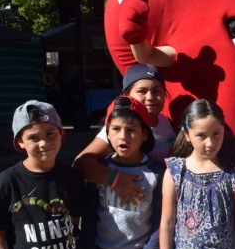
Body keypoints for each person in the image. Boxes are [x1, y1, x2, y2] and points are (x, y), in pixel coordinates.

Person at [0, 100, 89, 249]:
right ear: (20, 142)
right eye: (33, 137)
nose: (44, 143)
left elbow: (75, 218)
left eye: (50, 134)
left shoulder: (72, 176)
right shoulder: (7, 181)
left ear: (61, 135)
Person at [159, 99, 235, 249]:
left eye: (217, 133)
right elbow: (167, 223)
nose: (210, 143)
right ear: (187, 135)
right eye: (201, 135)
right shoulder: (175, 171)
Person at [74, 63, 175, 205]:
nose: (150, 97)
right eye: (142, 91)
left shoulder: (166, 122)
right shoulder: (119, 130)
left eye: (157, 91)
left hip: (160, 204)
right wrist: (115, 179)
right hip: (130, 207)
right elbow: (80, 163)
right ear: (126, 96)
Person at [85, 96, 165, 249]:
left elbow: (163, 220)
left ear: (144, 134)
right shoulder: (99, 171)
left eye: (131, 130)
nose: (123, 136)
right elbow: (88, 216)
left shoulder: (158, 173)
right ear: (107, 133)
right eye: (116, 129)